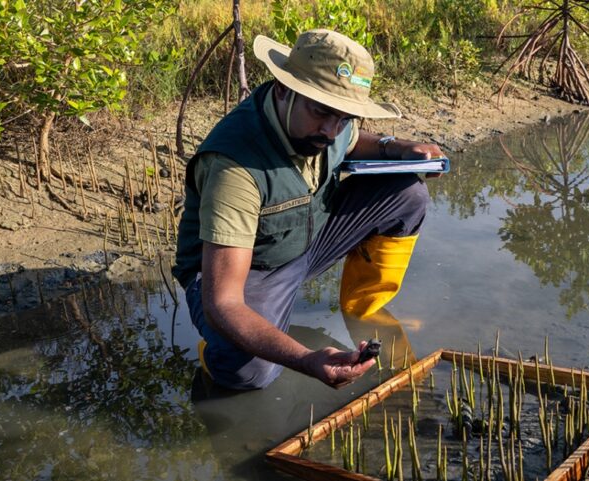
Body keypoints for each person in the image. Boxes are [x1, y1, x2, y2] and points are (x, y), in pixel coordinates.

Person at [172, 29, 443, 391]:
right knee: (248, 371)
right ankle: (216, 355)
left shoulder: (329, 126)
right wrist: (306, 359)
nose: (331, 131)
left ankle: (363, 309)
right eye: (321, 112)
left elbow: (350, 141)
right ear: (283, 90)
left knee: (408, 194)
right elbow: (223, 303)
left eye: (344, 117)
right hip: (251, 270)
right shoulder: (234, 167)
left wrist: (397, 147)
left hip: (309, 238)